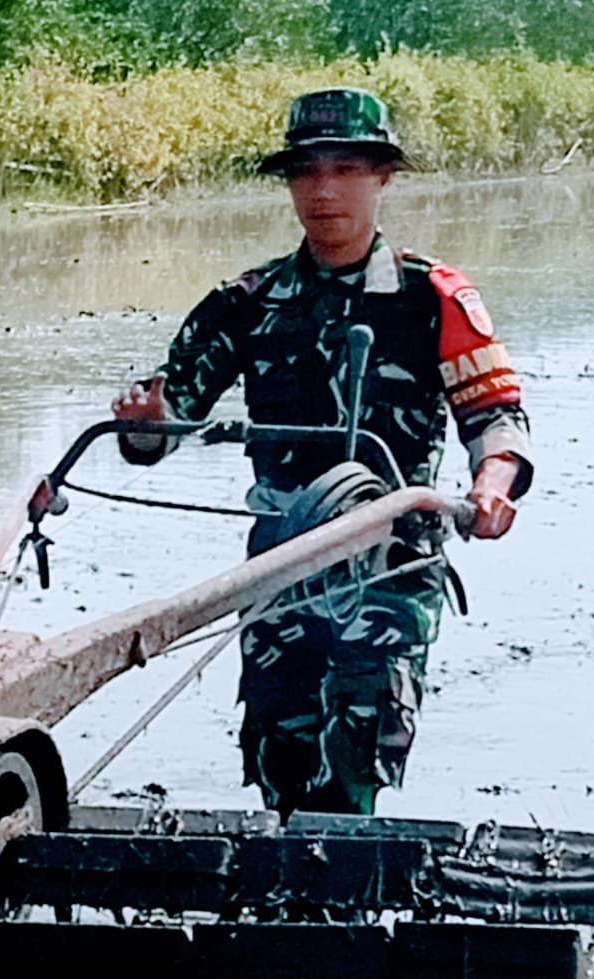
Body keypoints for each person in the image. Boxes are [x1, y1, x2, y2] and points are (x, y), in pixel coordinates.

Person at [113, 86, 530, 819]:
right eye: (306, 172)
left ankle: (347, 872)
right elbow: (166, 420)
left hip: (390, 558)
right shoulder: (248, 302)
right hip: (280, 560)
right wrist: (145, 423)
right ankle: (283, 875)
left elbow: (494, 415)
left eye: (345, 170)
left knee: (360, 745)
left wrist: (491, 486)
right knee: (279, 747)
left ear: (381, 177)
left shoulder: (432, 296)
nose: (324, 190)